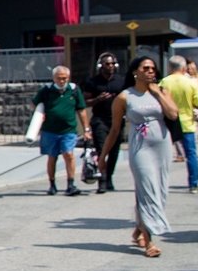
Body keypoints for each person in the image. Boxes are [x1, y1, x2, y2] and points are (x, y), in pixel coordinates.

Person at [101, 55, 180, 258]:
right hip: (140, 147)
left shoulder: (162, 91)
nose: (151, 72)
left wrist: (158, 94)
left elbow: (173, 114)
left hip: (162, 145)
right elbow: (115, 130)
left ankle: (139, 229)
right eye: (146, 68)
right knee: (147, 190)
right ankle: (150, 242)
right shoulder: (124, 97)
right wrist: (103, 157)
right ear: (135, 71)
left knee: (160, 191)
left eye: (153, 68)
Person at [32, 65, 88, 195]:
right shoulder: (46, 90)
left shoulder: (73, 90)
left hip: (68, 130)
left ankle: (71, 184)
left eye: (64, 78)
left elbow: (81, 110)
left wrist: (86, 128)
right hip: (50, 131)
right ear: (54, 78)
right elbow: (34, 104)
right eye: (59, 78)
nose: (62, 81)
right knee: (52, 157)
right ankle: (52, 184)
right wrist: (39, 115)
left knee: (69, 155)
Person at [159, 56, 198, 191]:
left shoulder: (164, 82)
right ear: (184, 68)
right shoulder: (191, 82)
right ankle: (194, 184)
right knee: (191, 154)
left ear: (170, 67)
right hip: (186, 122)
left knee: (162, 154)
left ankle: (160, 183)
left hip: (167, 122)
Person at [83, 54, 127, 193]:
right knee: (102, 151)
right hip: (100, 120)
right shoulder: (92, 82)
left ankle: (109, 178)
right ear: (101, 66)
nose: (111, 66)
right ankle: (102, 180)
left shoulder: (121, 81)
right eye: (107, 64)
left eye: (113, 64)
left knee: (114, 152)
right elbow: (84, 102)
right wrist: (97, 99)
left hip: (117, 120)